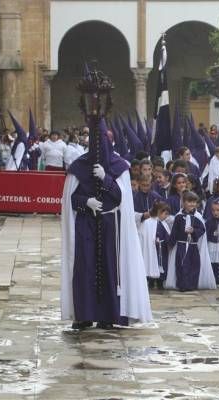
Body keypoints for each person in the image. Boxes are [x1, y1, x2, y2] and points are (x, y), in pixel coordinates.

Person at [60, 119, 152, 330]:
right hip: (85, 226)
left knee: (109, 269)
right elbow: (70, 201)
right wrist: (86, 202)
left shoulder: (120, 167)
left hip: (111, 226)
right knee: (85, 269)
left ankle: (107, 315)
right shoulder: (79, 166)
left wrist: (107, 179)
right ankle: (84, 315)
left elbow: (122, 198)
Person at [165, 191, 216, 291]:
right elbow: (174, 231)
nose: (192, 204)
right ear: (183, 202)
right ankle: (182, 285)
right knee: (181, 265)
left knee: (193, 265)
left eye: (194, 202)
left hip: (193, 246)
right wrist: (170, 243)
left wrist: (194, 231)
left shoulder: (197, 217)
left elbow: (202, 230)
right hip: (181, 246)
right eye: (189, 201)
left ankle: (192, 284)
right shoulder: (179, 217)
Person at [139, 201, 171, 290]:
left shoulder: (163, 224)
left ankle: (160, 282)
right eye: (165, 214)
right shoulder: (148, 222)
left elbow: (167, 235)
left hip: (161, 249)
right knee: (151, 262)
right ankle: (151, 281)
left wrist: (166, 242)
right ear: (159, 212)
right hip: (152, 250)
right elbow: (144, 235)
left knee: (162, 265)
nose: (166, 216)